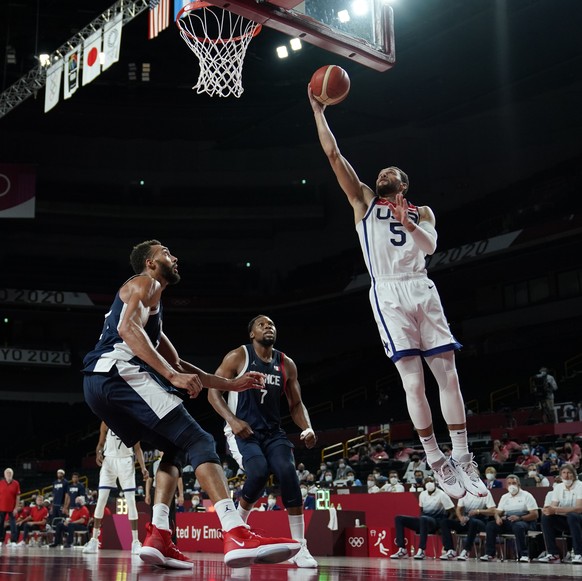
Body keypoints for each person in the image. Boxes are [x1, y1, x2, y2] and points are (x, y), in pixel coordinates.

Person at [308, 90, 487, 500]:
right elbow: (334, 156)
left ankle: (462, 457)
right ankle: (435, 459)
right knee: (413, 383)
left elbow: (429, 249)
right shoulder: (364, 201)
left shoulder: (423, 213)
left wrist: (410, 223)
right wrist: (319, 112)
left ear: (404, 185)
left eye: (393, 170)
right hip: (387, 292)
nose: (384, 169)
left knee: (449, 376)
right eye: (382, 168)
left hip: (421, 286)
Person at [82, 240, 300, 570]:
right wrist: (169, 375)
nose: (175, 257)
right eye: (166, 253)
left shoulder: (153, 312)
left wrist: (230, 384)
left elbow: (181, 364)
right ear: (150, 263)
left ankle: (159, 536)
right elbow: (128, 330)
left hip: (99, 384)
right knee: (200, 441)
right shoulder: (145, 282)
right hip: (116, 373)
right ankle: (235, 530)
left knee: (176, 448)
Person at [208, 314, 318, 569]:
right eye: (262, 324)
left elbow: (296, 404)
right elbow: (213, 393)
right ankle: (238, 528)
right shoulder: (238, 356)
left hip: (272, 433)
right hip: (242, 431)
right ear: (251, 333)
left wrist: (308, 428)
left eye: (271, 324)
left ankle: (300, 546)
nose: (268, 327)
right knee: (258, 472)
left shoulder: (286, 363)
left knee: (287, 471)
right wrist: (232, 421)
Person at [83, 421, 149, 554]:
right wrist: (98, 453)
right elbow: (101, 444)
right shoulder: (105, 421)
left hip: (126, 461)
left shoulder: (132, 422)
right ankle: (94, 540)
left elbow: (137, 448)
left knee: (131, 501)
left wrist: (143, 467)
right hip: (109, 461)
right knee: (101, 500)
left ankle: (135, 542)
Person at [390, 476, 455, 560]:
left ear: (435, 482)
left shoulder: (442, 494)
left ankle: (421, 550)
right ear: (424, 484)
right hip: (423, 521)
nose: (429, 483)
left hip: (435, 523)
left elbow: (452, 512)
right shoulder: (422, 494)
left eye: (431, 481)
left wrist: (444, 525)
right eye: (427, 481)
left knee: (423, 519)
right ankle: (402, 549)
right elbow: (422, 511)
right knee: (399, 518)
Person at [480, 474, 538, 562]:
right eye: (509, 483)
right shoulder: (504, 497)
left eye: (514, 483)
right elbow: (497, 512)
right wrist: (497, 518)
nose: (512, 485)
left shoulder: (527, 496)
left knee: (518, 526)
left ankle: (524, 555)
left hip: (524, 521)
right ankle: (490, 554)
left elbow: (535, 514)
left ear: (519, 484)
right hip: (509, 522)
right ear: (506, 486)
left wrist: (519, 518)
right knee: (490, 526)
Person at [439, 484, 497, 560]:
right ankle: (450, 550)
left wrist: (478, 511)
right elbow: (458, 509)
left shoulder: (485, 493)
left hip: (481, 521)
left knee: (473, 522)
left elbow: (493, 510)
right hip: (467, 520)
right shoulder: (464, 493)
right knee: (445, 522)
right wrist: (460, 517)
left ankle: (466, 550)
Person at [538, 464, 582, 563]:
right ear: (561, 475)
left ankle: (579, 554)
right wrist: (548, 510)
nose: (566, 476)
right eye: (564, 473)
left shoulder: (580, 486)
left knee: (573, 516)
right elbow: (553, 507)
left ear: (574, 475)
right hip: (566, 520)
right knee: (546, 517)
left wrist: (556, 510)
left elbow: (579, 509)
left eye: (569, 473)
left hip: (579, 519)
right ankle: (553, 553)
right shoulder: (558, 487)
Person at [0, 468, 20, 547]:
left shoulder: (16, 483)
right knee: (0, 524)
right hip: (1, 507)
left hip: (12, 508)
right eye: (7, 473)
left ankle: (14, 541)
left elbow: (18, 497)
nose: (8, 474)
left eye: (10, 473)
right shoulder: (1, 483)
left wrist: (16, 508)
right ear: (4, 475)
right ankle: (0, 540)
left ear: (12, 474)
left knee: (13, 525)